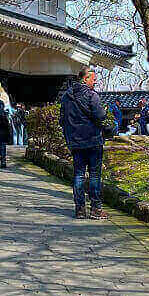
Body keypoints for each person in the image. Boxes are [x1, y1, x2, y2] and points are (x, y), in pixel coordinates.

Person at [59, 67, 110, 219]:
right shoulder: (92, 95)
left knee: (79, 175)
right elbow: (100, 115)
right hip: (93, 140)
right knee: (94, 175)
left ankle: (80, 209)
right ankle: (95, 209)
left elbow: (62, 119)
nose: (95, 82)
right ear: (85, 78)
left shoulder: (66, 96)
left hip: (75, 141)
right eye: (93, 79)